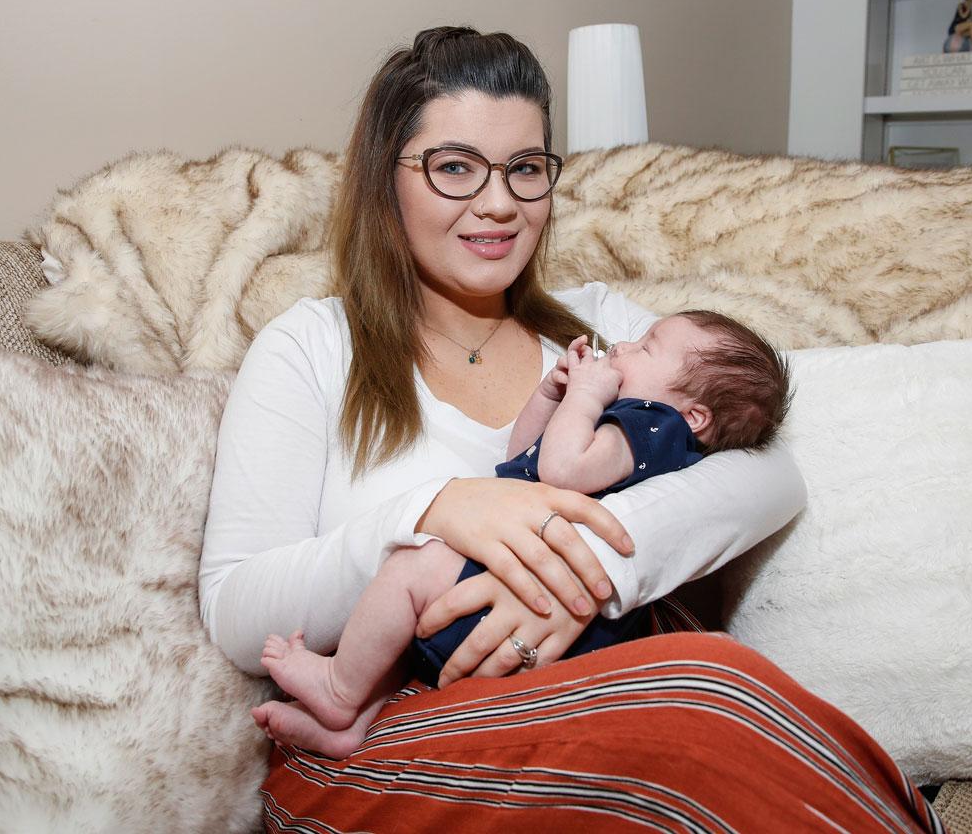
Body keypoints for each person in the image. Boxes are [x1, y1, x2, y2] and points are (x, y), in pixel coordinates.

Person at [200, 25, 942, 831]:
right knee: (701, 706)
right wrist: (433, 511)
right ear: (387, 180)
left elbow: (770, 472)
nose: (499, 204)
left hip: (599, 697)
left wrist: (590, 566)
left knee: (712, 691)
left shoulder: (604, 334)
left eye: (525, 169)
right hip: (379, 735)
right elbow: (237, 607)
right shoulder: (311, 347)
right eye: (455, 168)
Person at [249, 312, 792, 757]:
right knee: (407, 615)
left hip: (541, 601)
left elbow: (561, 472)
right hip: (519, 582)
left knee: (410, 567)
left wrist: (585, 396)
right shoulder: (627, 421)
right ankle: (355, 720)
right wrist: (553, 396)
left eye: (646, 348)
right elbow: (521, 459)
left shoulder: (654, 428)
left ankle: (342, 689)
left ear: (693, 417)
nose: (623, 346)